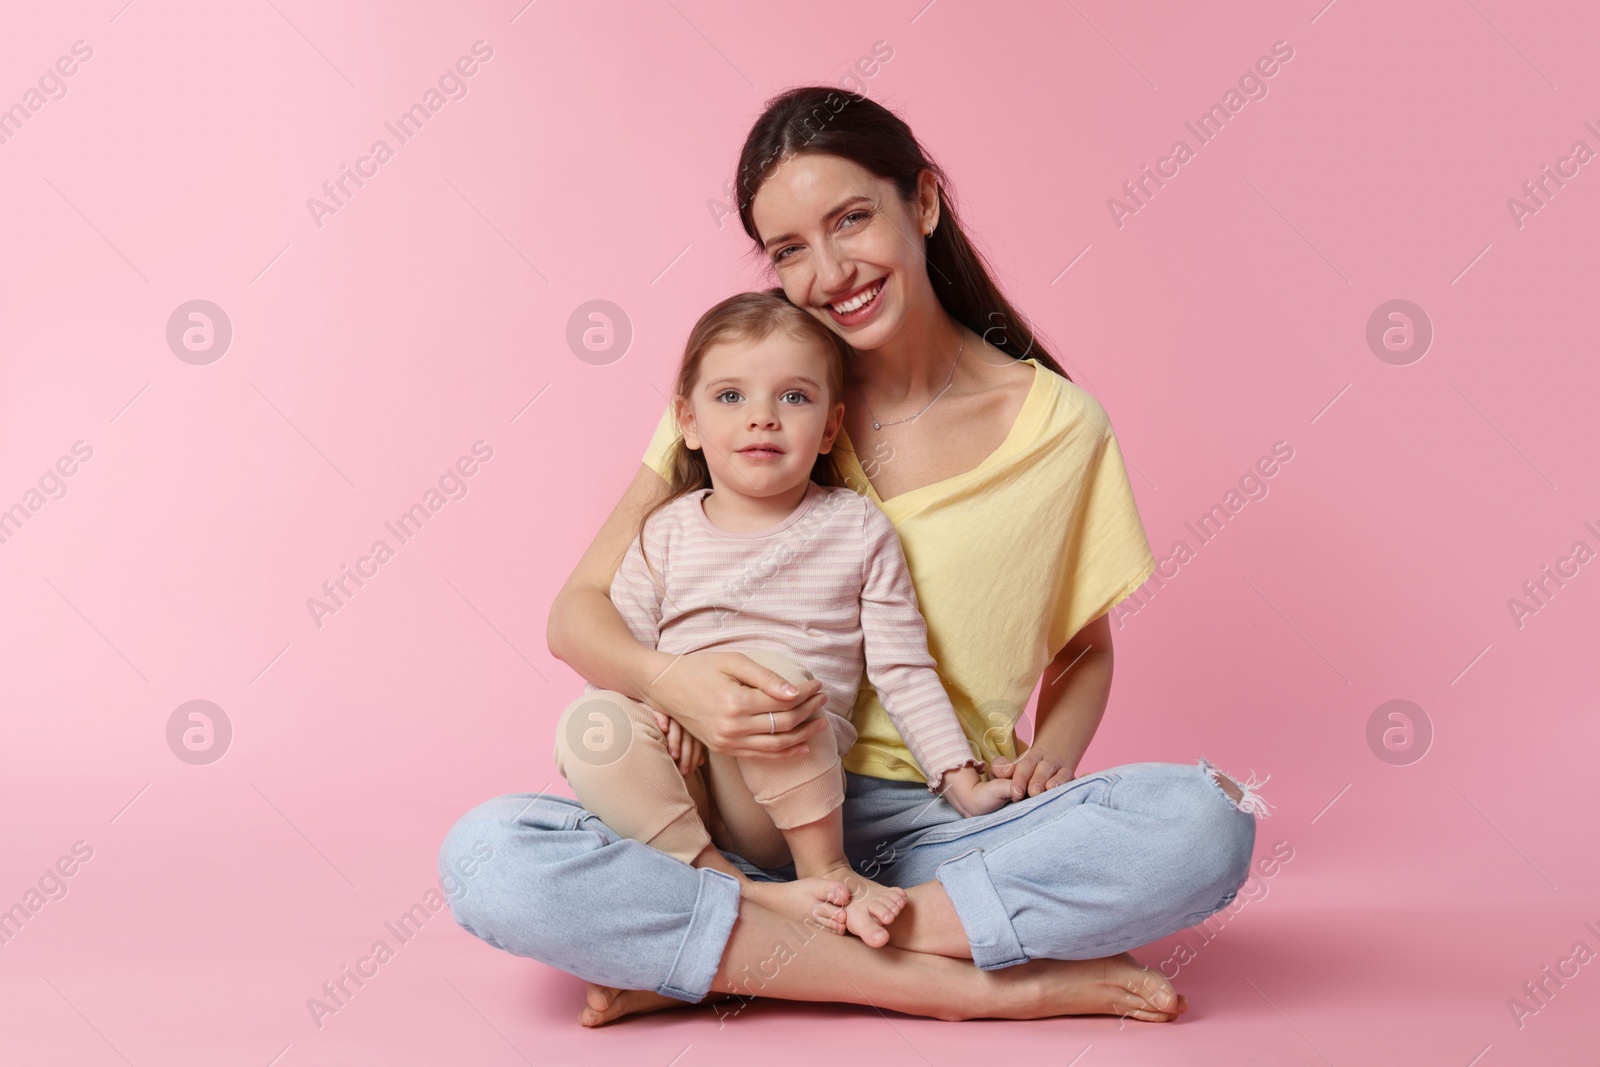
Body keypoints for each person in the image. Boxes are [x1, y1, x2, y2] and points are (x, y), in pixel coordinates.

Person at [439, 85, 1269, 1027]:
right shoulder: (754, 388)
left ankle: (716, 949)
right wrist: (673, 686)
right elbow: (579, 612)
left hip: (931, 825)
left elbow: (1084, 648)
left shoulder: (1060, 431)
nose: (829, 272)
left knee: (1206, 822)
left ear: (922, 203)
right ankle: (947, 983)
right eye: (789, 248)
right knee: (488, 854)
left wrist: (1051, 757)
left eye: (851, 220)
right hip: (707, 799)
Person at [553, 289, 1019, 949]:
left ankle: (825, 871)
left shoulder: (854, 528)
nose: (762, 418)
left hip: (787, 794)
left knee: (765, 676)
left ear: (830, 428)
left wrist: (961, 780)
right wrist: (658, 700)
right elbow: (620, 650)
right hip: (688, 783)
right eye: (730, 397)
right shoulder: (664, 533)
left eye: (794, 398)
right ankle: (733, 887)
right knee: (588, 723)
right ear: (687, 421)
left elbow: (904, 669)